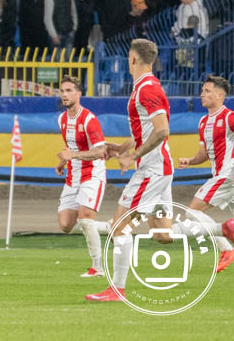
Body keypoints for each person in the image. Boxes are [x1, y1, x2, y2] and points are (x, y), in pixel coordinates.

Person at [85, 38, 173, 302]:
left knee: (119, 227)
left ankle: (117, 289)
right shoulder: (145, 87)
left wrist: (134, 155)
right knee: (163, 234)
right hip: (159, 168)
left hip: (151, 170)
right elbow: (146, 131)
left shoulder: (146, 89)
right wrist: (123, 148)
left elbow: (162, 130)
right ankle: (223, 229)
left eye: (128, 57)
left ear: (133, 59)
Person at [171, 75, 234, 274]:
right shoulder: (203, 122)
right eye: (203, 90)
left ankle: (226, 249)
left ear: (220, 95)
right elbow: (204, 154)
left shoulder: (229, 117)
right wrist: (190, 161)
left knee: (192, 210)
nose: (202, 94)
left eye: (207, 91)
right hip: (222, 175)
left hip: (228, 173)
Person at [50, 76, 109, 279]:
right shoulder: (62, 119)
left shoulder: (89, 119)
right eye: (62, 91)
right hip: (73, 176)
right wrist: (63, 162)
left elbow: (100, 151)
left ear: (78, 94)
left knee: (85, 218)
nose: (64, 94)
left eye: (68, 91)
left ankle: (97, 268)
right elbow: (71, 148)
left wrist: (73, 155)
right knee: (66, 225)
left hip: (92, 174)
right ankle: (110, 227)